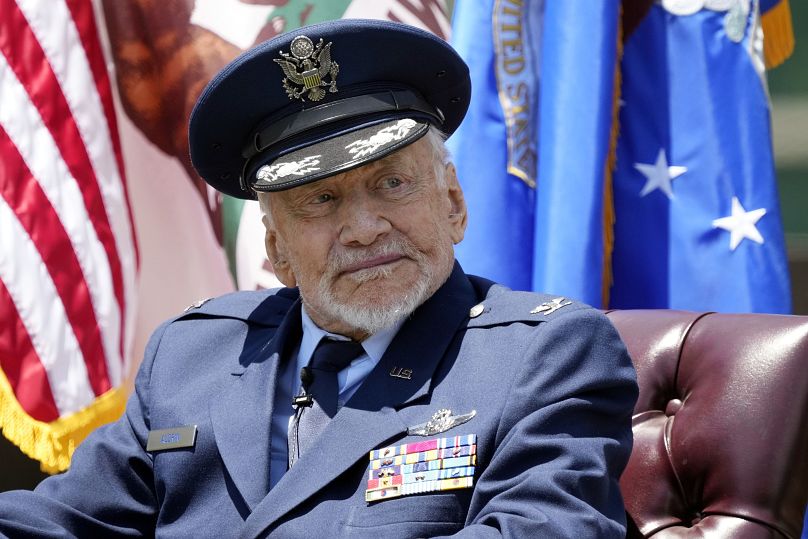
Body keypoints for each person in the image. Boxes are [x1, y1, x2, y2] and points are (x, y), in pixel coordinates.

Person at [0, 19, 638, 537]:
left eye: (391, 183)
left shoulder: (544, 356)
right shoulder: (190, 355)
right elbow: (57, 523)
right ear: (274, 247)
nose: (364, 228)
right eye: (320, 201)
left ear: (453, 204)